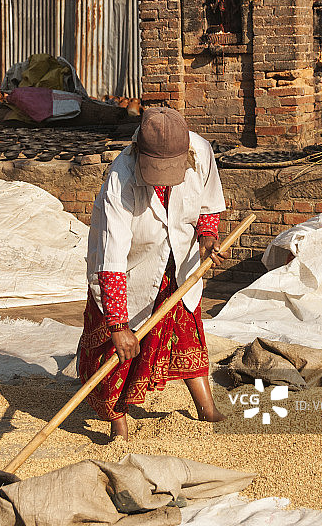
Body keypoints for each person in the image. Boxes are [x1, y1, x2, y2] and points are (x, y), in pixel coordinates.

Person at [77, 107, 227, 439]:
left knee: (187, 329)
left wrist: (207, 238)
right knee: (120, 352)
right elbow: (112, 259)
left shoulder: (200, 153)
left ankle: (207, 408)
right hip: (128, 271)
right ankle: (118, 423)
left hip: (179, 258)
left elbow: (208, 203)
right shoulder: (121, 179)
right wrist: (118, 326)